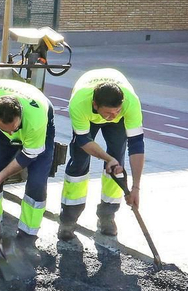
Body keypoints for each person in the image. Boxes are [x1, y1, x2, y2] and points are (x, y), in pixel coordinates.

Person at [0, 77, 55, 242]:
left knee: (37, 182)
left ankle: (27, 237)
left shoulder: (36, 121)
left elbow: (28, 156)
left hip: (40, 126)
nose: (11, 134)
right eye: (5, 129)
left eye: (14, 129)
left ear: (19, 115)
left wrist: (0, 178)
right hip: (6, 126)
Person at [62, 67, 145, 238]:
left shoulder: (130, 103)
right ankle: (68, 219)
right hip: (88, 118)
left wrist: (136, 187)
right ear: (95, 105)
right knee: (79, 162)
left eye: (117, 111)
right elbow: (84, 141)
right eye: (108, 113)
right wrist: (107, 159)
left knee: (117, 165)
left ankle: (107, 216)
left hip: (115, 111)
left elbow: (136, 145)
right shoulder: (79, 103)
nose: (113, 116)